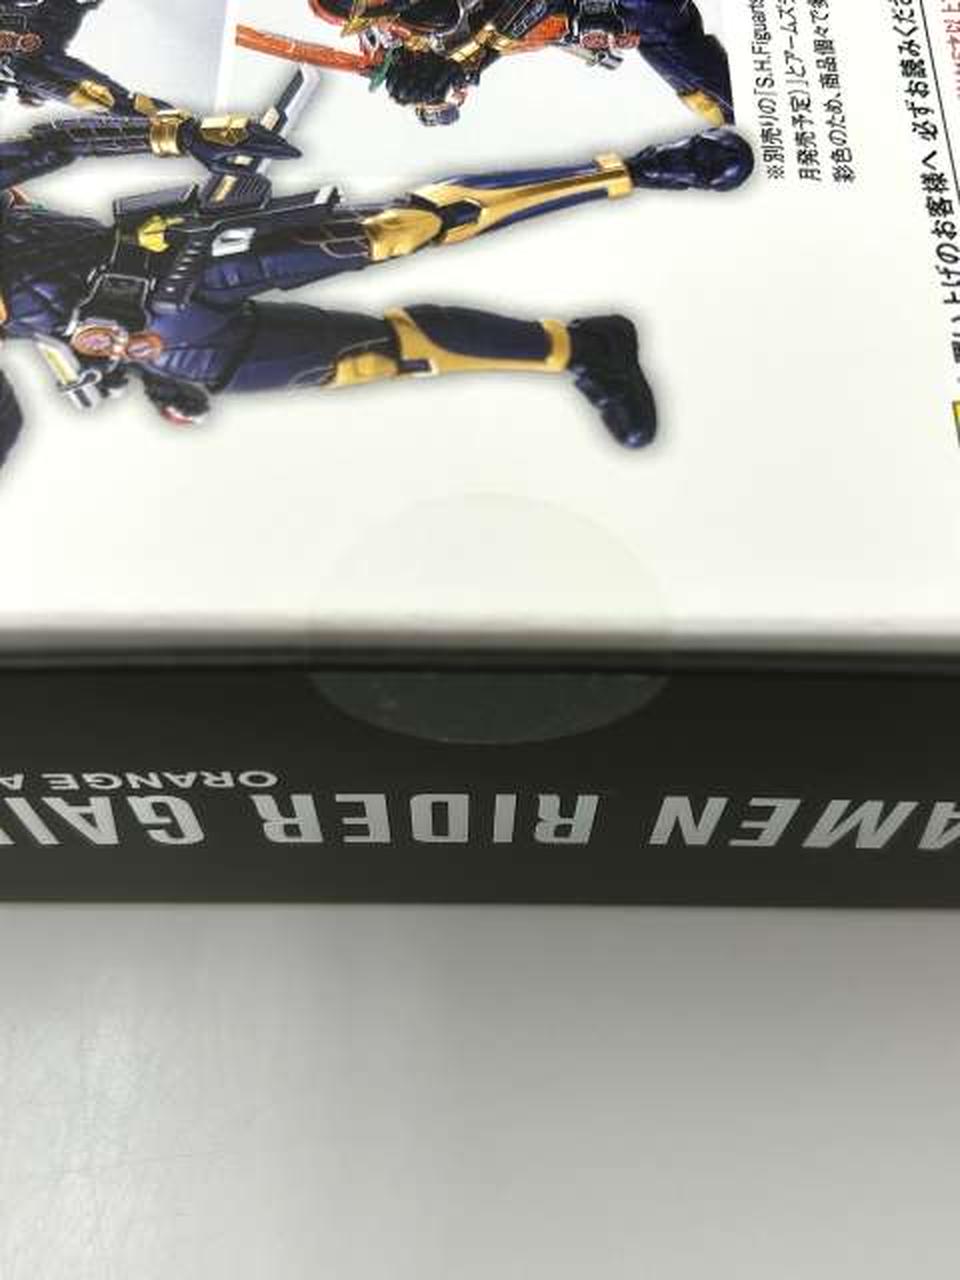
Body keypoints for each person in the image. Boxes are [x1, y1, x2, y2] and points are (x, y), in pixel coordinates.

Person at [0, 115, 753, 465]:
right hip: (163, 344)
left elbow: (52, 144)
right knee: (373, 357)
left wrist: (189, 135)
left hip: (170, 260)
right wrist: (132, 370)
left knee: (403, 227)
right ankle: (584, 350)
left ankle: (645, 169)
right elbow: (37, 336)